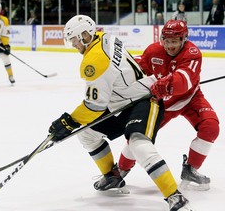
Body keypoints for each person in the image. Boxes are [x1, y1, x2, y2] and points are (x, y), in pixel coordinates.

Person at [48, 15, 193, 211]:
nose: (73, 44)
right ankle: (112, 177)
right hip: (122, 101)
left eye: (74, 39)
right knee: (87, 133)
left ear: (84, 35)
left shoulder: (94, 61)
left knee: (138, 143)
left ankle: (174, 195)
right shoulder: (104, 37)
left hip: (144, 99)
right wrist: (73, 123)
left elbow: (95, 106)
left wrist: (69, 122)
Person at [118, 19, 220, 191]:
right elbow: (139, 70)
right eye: (167, 41)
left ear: (184, 40)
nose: (170, 45)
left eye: (175, 41)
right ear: (162, 39)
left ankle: (191, 170)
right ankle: (118, 172)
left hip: (190, 99)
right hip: (161, 104)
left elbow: (184, 82)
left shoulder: (192, 53)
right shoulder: (153, 51)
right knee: (137, 136)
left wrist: (164, 84)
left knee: (210, 127)